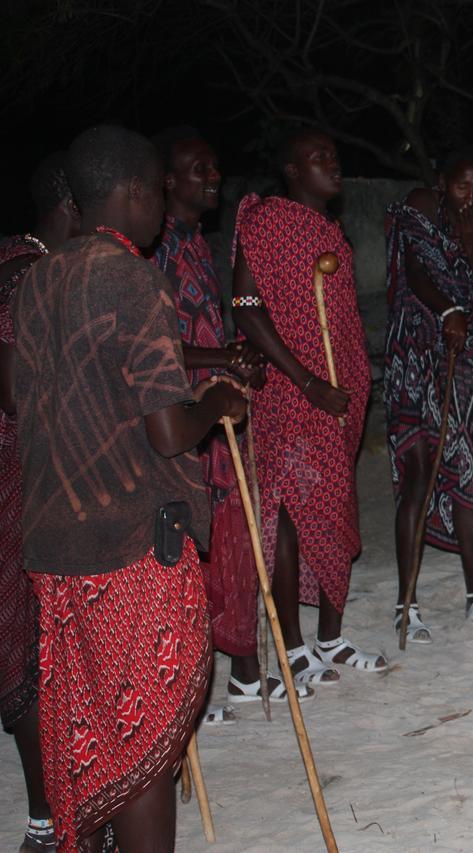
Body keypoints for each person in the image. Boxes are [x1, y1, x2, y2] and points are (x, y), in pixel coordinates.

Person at [13, 124, 247, 851]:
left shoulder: (33, 282)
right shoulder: (133, 276)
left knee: (97, 723)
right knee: (146, 743)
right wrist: (218, 399)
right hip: (130, 545)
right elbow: (168, 432)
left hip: (54, 543)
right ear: (139, 194)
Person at [233, 128, 384, 685]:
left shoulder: (330, 232)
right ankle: (294, 645)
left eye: (334, 156)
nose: (333, 165)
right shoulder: (270, 221)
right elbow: (246, 307)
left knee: (337, 505)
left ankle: (332, 637)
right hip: (295, 393)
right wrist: (304, 379)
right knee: (296, 510)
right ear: (293, 171)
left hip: (341, 393)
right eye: (318, 158)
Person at [150, 127, 283, 718]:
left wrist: (236, 355)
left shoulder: (198, 243)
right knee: (198, 547)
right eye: (199, 167)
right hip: (177, 416)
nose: (214, 176)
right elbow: (153, 349)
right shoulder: (150, 255)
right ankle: (197, 690)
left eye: (215, 165)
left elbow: (205, 330)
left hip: (217, 409)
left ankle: (245, 672)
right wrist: (221, 358)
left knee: (234, 538)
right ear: (167, 181)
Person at [385, 148, 473, 636]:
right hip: (416, 355)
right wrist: (444, 310)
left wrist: (471, 245)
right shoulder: (418, 208)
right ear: (444, 184)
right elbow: (416, 273)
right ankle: (406, 603)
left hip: (464, 361)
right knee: (418, 470)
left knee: (471, 469)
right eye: (464, 186)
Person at [1, 152, 78, 853]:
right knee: (25, 658)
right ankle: (49, 817)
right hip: (17, 484)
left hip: (29, 479)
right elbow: (14, 390)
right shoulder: (28, 274)